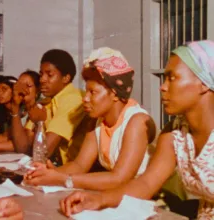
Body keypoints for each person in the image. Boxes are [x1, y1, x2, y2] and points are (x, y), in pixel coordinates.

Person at [59, 40, 214, 220]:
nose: (162, 87)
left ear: (203, 83)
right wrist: (99, 199)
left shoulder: (137, 121)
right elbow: (146, 184)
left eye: (172, 78)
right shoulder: (175, 131)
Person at [24, 47, 156, 191]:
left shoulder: (137, 121)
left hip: (148, 199)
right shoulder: (97, 121)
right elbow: (79, 165)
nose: (85, 98)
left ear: (115, 94)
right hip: (118, 193)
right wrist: (48, 173)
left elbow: (119, 179)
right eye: (86, 91)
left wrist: (63, 179)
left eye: (92, 92)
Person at [11, 49, 86, 165]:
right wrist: (15, 107)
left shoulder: (73, 99)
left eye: (49, 75)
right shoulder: (46, 102)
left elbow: (44, 152)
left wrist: (40, 122)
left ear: (66, 78)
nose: (42, 80)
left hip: (73, 171)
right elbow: (22, 148)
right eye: (41, 74)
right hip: (56, 167)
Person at [0, 76, 17, 151]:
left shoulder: (22, 111)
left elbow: (17, 143)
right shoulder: (1, 110)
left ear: (14, 91)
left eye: (4, 89)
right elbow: (5, 136)